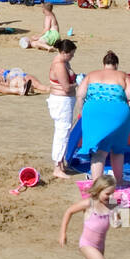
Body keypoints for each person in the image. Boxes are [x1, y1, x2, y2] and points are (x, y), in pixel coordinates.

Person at [71, 51, 130, 186]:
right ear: (116, 64)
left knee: (98, 152)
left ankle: (97, 184)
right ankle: (119, 180)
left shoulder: (91, 75)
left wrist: (82, 112)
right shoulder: (123, 76)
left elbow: (80, 96)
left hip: (93, 112)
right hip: (118, 112)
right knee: (118, 150)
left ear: (104, 64)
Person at [46, 39, 79, 179]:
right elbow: (66, 87)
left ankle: (61, 164)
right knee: (62, 132)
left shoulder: (64, 62)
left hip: (65, 101)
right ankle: (57, 166)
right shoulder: (59, 64)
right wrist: (78, 84)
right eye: (71, 54)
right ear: (64, 52)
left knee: (64, 131)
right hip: (61, 102)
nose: (72, 56)